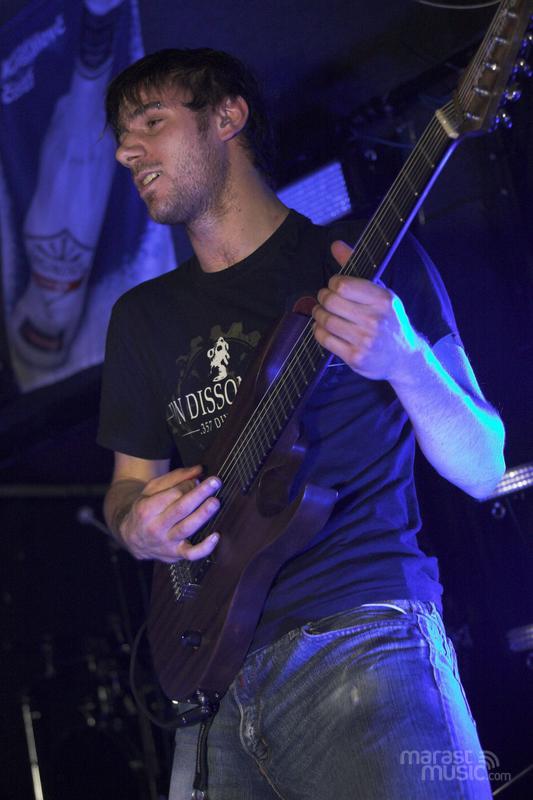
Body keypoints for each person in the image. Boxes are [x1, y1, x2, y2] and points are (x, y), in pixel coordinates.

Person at [97, 48, 505, 799]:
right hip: (214, 695)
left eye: (150, 122)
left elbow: (484, 466)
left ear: (228, 116)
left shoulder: (364, 258)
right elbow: (128, 489)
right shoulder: (140, 319)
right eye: (122, 137)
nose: (127, 151)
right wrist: (136, 526)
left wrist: (406, 358)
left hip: (366, 646)